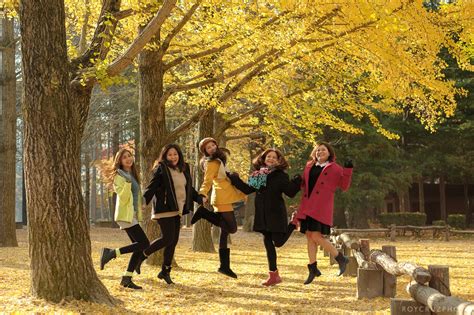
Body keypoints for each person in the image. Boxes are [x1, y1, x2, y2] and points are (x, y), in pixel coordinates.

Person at [227, 148, 301, 286]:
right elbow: (248, 189)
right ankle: (273, 275)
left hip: (276, 212)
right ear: (263, 158)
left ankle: (293, 223)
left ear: (279, 161)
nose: (271, 159)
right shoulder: (259, 174)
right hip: (262, 213)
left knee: (278, 242)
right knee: (268, 243)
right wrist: (234, 178)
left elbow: (290, 192)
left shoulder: (280, 175)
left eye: (274, 157)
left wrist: (297, 181)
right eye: (268, 156)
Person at [293, 141, 353, 284]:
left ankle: (340, 258)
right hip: (307, 206)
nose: (320, 152)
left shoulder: (335, 168)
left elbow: (344, 186)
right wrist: (297, 181)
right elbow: (305, 185)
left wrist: (348, 170)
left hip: (321, 207)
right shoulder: (309, 166)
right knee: (309, 236)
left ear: (329, 153)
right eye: (317, 150)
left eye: (323, 150)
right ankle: (313, 268)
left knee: (316, 235)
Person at [142, 144, 203, 284]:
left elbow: (189, 188)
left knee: (173, 242)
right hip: (164, 209)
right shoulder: (161, 168)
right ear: (165, 156)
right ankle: (142, 255)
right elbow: (152, 186)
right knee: (168, 238)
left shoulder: (184, 168)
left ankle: (165, 271)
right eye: (170, 155)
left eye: (175, 154)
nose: (173, 157)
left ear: (179, 155)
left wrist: (198, 198)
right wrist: (144, 200)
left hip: (177, 209)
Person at [190, 137, 246, 278]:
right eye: (208, 147)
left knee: (225, 232)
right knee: (232, 228)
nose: (212, 147)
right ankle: (203, 213)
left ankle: (224, 267)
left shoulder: (219, 160)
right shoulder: (211, 163)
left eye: (213, 144)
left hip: (225, 195)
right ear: (205, 152)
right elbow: (207, 181)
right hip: (222, 198)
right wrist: (202, 194)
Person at [98, 148, 150, 290]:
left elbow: (134, 196)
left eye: (130, 156)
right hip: (125, 215)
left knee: (138, 247)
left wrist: (141, 204)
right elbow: (124, 196)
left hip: (131, 214)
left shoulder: (130, 174)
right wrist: (127, 182)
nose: (128, 159)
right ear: (119, 161)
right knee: (144, 243)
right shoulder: (119, 176)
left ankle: (127, 278)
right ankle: (111, 253)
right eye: (124, 157)